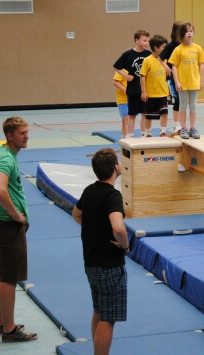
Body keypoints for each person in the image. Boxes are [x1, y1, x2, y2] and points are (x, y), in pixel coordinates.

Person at [72, 148, 129, 355]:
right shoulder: (113, 195)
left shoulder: (89, 190)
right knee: (108, 318)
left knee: (99, 310)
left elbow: (76, 214)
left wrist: (93, 230)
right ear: (115, 167)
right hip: (109, 265)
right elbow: (118, 227)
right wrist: (125, 246)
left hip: (91, 262)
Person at [0, 117, 38, 343]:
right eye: (22, 133)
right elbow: (0, 191)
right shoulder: (5, 159)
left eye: (27, 132)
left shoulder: (3, 152)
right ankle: (9, 330)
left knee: (1, 274)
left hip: (2, 224)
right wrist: (16, 215)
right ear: (10, 136)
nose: (27, 136)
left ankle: (0, 322)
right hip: (9, 227)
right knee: (9, 279)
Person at [169, 22, 204, 139]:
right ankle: (184, 128)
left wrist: (201, 81)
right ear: (182, 34)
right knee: (183, 105)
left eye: (191, 31)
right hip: (182, 83)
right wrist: (177, 82)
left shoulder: (198, 48)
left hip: (194, 82)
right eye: (186, 31)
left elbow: (201, 64)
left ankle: (193, 127)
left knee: (193, 105)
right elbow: (174, 66)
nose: (189, 33)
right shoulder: (178, 49)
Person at [113, 30, 151, 138]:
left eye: (148, 41)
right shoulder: (128, 54)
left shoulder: (148, 55)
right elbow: (116, 66)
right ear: (137, 40)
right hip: (133, 89)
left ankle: (144, 135)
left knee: (144, 114)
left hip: (145, 90)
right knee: (132, 115)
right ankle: (130, 136)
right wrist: (126, 76)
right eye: (144, 40)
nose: (147, 43)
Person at [140, 34, 170, 137]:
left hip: (163, 93)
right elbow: (142, 76)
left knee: (165, 113)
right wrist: (144, 91)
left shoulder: (165, 61)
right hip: (151, 94)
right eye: (163, 47)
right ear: (156, 48)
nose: (165, 49)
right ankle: (148, 133)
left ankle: (163, 131)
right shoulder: (147, 60)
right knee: (149, 116)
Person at [160, 21, 183, 133]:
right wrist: (166, 67)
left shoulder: (184, 45)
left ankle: (181, 124)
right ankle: (176, 124)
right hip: (172, 78)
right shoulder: (170, 46)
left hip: (183, 77)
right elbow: (160, 58)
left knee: (183, 101)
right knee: (176, 100)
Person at [112, 70, 129, 142]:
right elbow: (115, 82)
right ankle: (129, 138)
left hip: (132, 99)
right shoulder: (122, 70)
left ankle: (124, 137)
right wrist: (126, 90)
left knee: (125, 120)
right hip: (123, 100)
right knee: (127, 120)